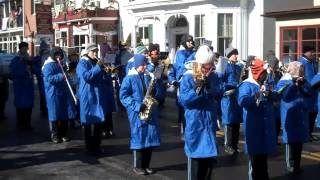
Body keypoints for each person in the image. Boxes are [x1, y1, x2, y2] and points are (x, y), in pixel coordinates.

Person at [179, 45, 220, 180]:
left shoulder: (213, 76)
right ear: (199, 64)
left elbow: (218, 92)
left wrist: (209, 87)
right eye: (206, 67)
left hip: (209, 123)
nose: (208, 69)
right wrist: (197, 90)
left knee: (208, 164)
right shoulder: (188, 78)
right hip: (195, 123)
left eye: (210, 66)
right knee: (196, 161)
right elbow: (184, 101)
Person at [120, 54, 161, 175]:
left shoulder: (148, 76)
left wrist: (155, 88)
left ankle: (146, 165)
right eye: (143, 64)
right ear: (137, 65)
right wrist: (137, 106)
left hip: (149, 111)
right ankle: (138, 166)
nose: (145, 66)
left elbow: (155, 92)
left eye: (145, 64)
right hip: (136, 112)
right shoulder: (129, 78)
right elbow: (123, 96)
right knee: (139, 137)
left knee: (149, 137)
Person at [238, 58, 277, 180]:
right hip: (254, 126)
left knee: (263, 160)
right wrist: (255, 96)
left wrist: (270, 94)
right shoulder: (247, 85)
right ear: (257, 73)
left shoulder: (264, 83)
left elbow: (276, 95)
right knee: (255, 162)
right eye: (263, 75)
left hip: (265, 127)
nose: (266, 77)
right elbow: (242, 101)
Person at [275, 61, 310, 174]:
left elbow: (309, 91)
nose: (301, 73)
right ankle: (290, 164)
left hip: (300, 114)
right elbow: (285, 96)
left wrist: (303, 83)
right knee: (290, 140)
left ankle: (297, 164)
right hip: (289, 113)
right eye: (299, 71)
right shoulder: (284, 81)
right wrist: (295, 85)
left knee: (299, 141)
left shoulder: (300, 80)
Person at [76, 44, 112, 155]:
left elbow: (99, 77)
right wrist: (98, 67)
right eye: (93, 52)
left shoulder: (93, 62)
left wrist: (106, 72)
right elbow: (87, 76)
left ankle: (97, 145)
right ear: (88, 52)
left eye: (96, 51)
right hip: (87, 95)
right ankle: (89, 146)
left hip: (96, 94)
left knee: (99, 122)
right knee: (88, 123)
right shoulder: (82, 63)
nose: (96, 54)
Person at [42, 47, 77, 143]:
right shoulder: (48, 65)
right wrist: (61, 76)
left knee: (64, 114)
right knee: (54, 114)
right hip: (53, 93)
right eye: (56, 55)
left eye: (60, 55)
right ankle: (55, 135)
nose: (59, 57)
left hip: (62, 92)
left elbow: (66, 76)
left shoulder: (61, 64)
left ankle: (63, 134)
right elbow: (49, 78)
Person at [168, 34, 196, 138]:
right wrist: (174, 81)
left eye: (191, 41)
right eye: (188, 41)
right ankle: (184, 131)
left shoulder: (192, 52)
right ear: (184, 42)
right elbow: (185, 64)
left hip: (192, 80)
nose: (191, 43)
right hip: (183, 81)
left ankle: (190, 130)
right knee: (184, 105)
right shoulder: (180, 53)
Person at [219, 47, 243, 155]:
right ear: (229, 55)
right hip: (228, 97)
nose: (237, 56)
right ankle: (228, 145)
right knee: (228, 121)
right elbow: (220, 81)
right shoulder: (224, 67)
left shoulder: (238, 67)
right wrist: (227, 88)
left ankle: (235, 144)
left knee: (236, 121)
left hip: (236, 96)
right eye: (234, 54)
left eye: (237, 54)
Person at [9, 42, 34, 131]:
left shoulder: (29, 59)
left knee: (29, 106)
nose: (25, 50)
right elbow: (12, 73)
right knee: (20, 107)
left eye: (26, 48)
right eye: (23, 48)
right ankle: (20, 124)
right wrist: (23, 73)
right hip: (20, 86)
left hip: (29, 87)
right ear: (20, 49)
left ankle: (27, 124)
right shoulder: (15, 60)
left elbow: (34, 69)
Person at [299, 46, 318, 141]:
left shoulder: (313, 62)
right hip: (306, 93)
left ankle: (309, 133)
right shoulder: (301, 63)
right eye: (311, 52)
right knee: (306, 115)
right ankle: (305, 134)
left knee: (313, 114)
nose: (313, 54)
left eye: (314, 52)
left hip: (314, 92)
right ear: (305, 53)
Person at [147, 44, 166, 108]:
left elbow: (159, 75)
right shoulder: (147, 60)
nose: (155, 51)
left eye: (156, 50)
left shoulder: (159, 60)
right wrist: (153, 64)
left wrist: (160, 65)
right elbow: (148, 70)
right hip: (150, 88)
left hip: (158, 88)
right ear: (150, 52)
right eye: (153, 50)